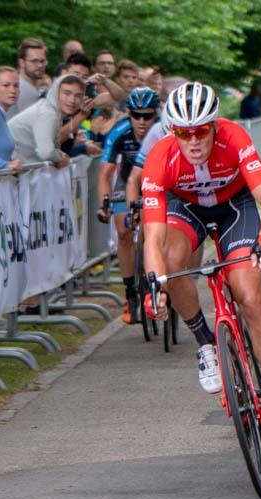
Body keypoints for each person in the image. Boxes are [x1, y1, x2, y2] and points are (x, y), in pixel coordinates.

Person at [138, 82, 261, 452]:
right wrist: (155, 286)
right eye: (184, 132)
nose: (194, 140)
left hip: (235, 207)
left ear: (214, 126)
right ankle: (205, 343)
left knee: (250, 297)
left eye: (201, 131)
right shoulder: (159, 158)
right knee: (170, 263)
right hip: (185, 208)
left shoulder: (234, 137)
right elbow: (152, 237)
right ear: (173, 132)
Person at [97, 87, 160, 323]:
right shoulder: (120, 131)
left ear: (157, 114)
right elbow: (105, 173)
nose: (142, 121)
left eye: (148, 115)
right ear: (129, 113)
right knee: (124, 231)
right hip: (127, 181)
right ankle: (130, 293)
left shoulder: (163, 128)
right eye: (136, 115)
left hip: (157, 181)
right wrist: (104, 204)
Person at [8, 73, 85, 167]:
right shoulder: (47, 113)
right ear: (56, 92)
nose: (72, 100)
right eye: (67, 93)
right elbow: (46, 153)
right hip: (10, 172)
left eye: (78, 95)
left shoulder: (49, 109)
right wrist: (61, 158)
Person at [10, 38, 50, 118]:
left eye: (42, 61)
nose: (40, 65)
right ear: (21, 62)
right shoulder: (24, 89)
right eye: (34, 61)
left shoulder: (17, 84)